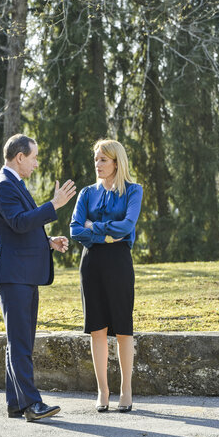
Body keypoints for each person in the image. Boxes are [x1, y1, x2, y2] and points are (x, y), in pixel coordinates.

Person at [0, 134, 76, 422]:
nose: (37, 163)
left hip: (20, 272)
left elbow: (20, 229)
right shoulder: (3, 186)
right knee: (21, 342)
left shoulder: (12, 184)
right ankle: (32, 405)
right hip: (14, 275)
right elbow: (20, 222)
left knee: (20, 340)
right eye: (34, 157)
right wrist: (54, 205)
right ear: (20, 157)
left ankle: (16, 403)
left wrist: (47, 242)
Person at [70, 139, 143, 413]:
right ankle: (103, 391)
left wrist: (95, 227)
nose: (97, 165)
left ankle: (126, 389)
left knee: (123, 328)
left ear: (116, 162)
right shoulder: (88, 193)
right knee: (96, 328)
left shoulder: (133, 191)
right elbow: (76, 229)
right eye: (96, 159)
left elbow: (127, 227)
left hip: (119, 261)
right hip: (92, 263)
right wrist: (106, 234)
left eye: (103, 160)